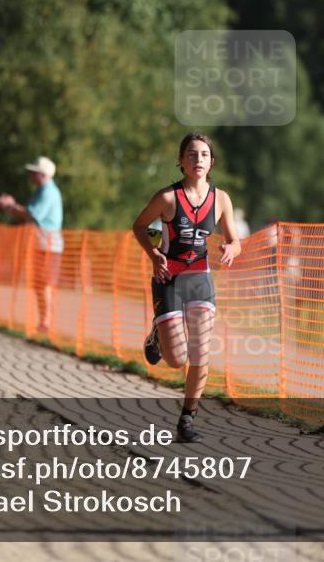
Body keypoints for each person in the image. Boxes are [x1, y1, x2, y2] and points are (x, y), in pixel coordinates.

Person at [132, 132, 241, 442]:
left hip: (199, 280)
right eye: (192, 154)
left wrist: (232, 248)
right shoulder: (167, 198)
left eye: (204, 155)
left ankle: (187, 420)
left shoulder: (221, 199)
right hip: (168, 278)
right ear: (180, 161)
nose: (198, 160)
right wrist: (153, 254)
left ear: (212, 162)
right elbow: (139, 226)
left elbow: (235, 240)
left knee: (201, 350)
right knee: (177, 358)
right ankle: (157, 336)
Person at [0, 156, 63, 334]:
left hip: (48, 245)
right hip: (41, 244)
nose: (31, 175)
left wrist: (11, 205)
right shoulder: (41, 191)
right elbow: (27, 214)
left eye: (34, 172)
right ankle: (44, 321)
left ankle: (46, 321)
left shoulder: (48, 192)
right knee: (40, 284)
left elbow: (32, 215)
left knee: (45, 283)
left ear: (42, 174)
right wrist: (10, 207)